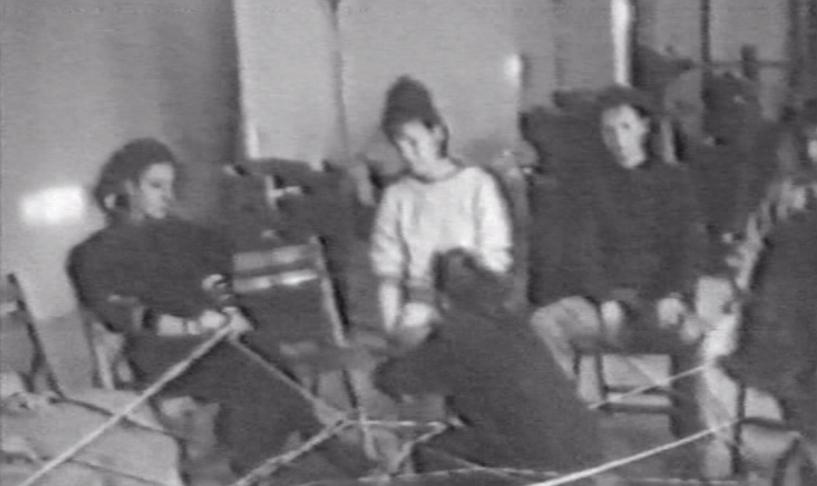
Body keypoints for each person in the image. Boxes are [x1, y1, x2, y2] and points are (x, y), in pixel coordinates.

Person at [67, 139, 343, 476]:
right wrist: (193, 326)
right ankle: (316, 453)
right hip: (164, 356)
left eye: (171, 186)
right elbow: (125, 316)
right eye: (156, 186)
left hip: (218, 345)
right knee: (262, 382)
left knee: (269, 363)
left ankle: (261, 465)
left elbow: (213, 279)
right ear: (126, 187)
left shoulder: (183, 234)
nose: (168, 196)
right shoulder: (93, 254)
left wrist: (230, 312)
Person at [529, 88, 714, 459]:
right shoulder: (586, 184)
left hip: (659, 299)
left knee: (693, 333)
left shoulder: (675, 181)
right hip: (601, 302)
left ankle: (690, 429)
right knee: (544, 323)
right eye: (608, 130)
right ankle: (563, 425)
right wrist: (604, 298)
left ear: (644, 127)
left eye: (626, 127)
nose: (618, 139)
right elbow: (582, 250)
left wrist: (673, 294)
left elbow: (688, 250)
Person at [370, 76, 513, 337]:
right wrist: (394, 333)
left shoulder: (478, 185)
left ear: (437, 133)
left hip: (473, 307)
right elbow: (388, 273)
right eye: (399, 144)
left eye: (413, 142)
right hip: (416, 313)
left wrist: (446, 309)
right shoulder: (396, 197)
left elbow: (494, 262)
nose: (407, 154)